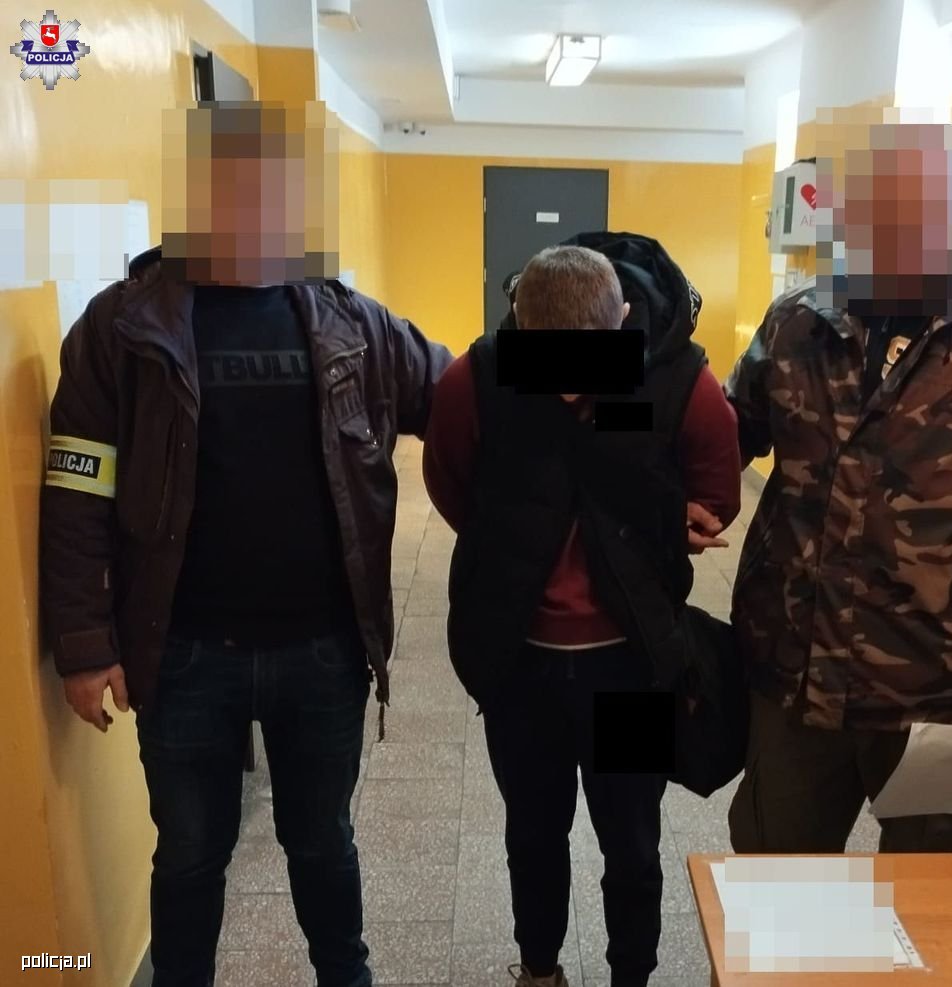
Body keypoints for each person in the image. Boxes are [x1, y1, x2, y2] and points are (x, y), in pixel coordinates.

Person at [39, 101, 453, 987]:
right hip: (183, 652)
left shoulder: (352, 322)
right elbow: (75, 488)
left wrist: (633, 380)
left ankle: (346, 976)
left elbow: (465, 391)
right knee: (191, 852)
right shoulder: (122, 329)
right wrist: (83, 643)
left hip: (324, 649)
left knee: (324, 840)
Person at [720, 110, 952, 854]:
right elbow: (729, 433)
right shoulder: (797, 322)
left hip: (942, 689)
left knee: (927, 899)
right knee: (775, 880)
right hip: (797, 671)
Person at [422, 235, 741, 987]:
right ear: (521, 325)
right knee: (533, 833)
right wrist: (514, 542)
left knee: (631, 842)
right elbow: (451, 483)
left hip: (628, 665)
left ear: (624, 319)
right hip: (521, 663)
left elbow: (717, 489)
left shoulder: (675, 379)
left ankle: (632, 974)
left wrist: (668, 516)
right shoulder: (479, 378)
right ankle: (540, 970)